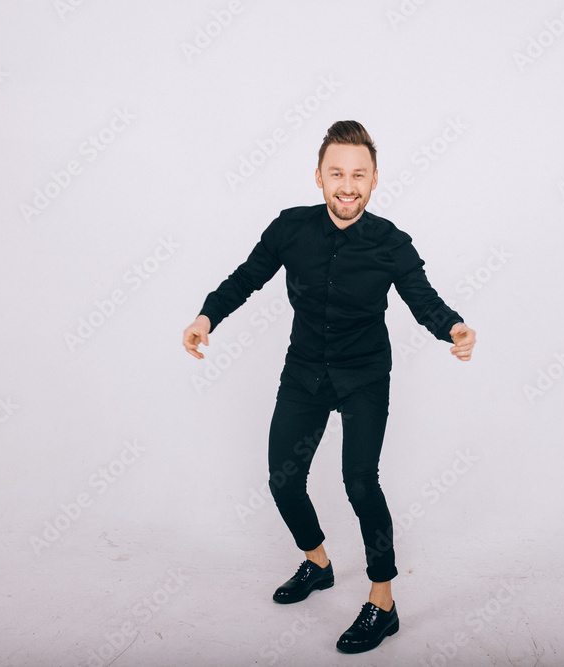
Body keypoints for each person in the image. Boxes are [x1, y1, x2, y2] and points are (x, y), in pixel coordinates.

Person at [183, 120, 476, 654]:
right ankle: (317, 563)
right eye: (336, 172)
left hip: (364, 375)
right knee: (282, 479)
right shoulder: (290, 228)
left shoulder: (391, 243)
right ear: (318, 177)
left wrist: (453, 328)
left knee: (360, 482)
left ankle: (382, 602)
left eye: (358, 174)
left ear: (374, 180)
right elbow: (247, 277)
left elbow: (422, 297)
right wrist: (207, 318)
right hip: (305, 373)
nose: (347, 184)